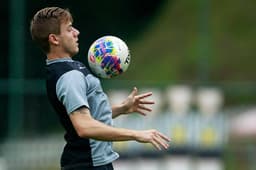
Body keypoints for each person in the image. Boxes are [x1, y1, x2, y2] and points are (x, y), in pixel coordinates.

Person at [30, 7, 170, 170]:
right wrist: (136, 134)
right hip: (88, 164)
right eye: (69, 29)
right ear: (54, 39)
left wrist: (121, 109)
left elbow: (87, 117)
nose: (77, 32)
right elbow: (84, 126)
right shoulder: (69, 76)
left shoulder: (69, 68)